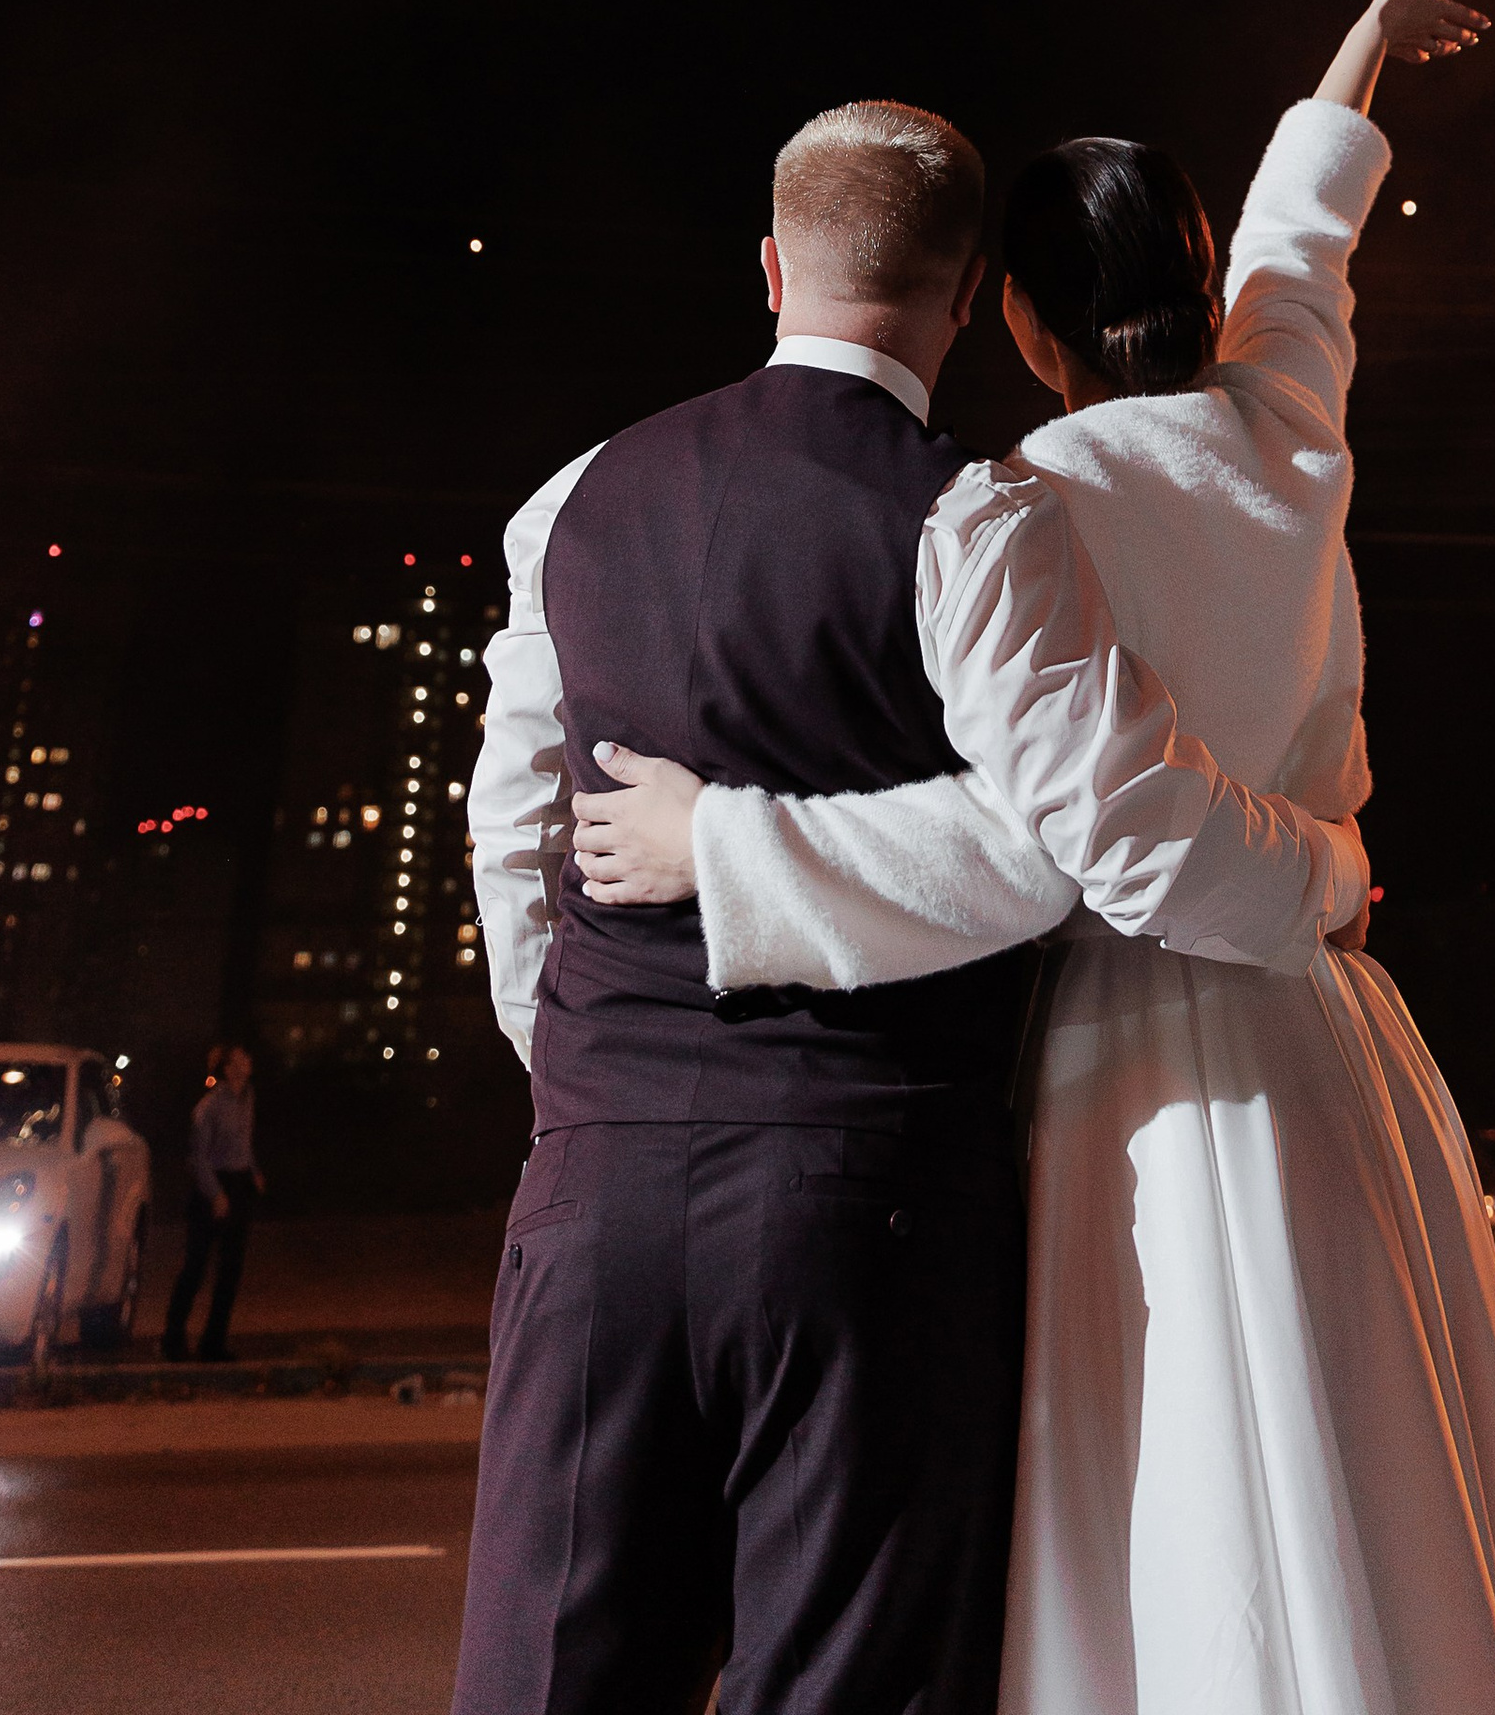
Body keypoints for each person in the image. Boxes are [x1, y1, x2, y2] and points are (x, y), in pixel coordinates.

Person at [579, 0, 1495, 1715]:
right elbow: (1307, 255)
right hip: (1344, 1044)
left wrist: (726, 847)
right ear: (1195, 286)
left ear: (1020, 325)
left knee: (1177, 1507)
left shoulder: (1022, 511)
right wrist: (1357, 60)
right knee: (1373, 1479)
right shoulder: (1293, 433)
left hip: (1144, 1052)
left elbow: (1063, 838)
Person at [457, 94, 1369, 1715]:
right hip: (867, 1210)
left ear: (768, 268)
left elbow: (514, 831)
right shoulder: (977, 515)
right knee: (848, 1684)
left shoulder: (570, 499)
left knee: (551, 1681)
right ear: (969, 303)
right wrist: (1328, 863)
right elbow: (1094, 844)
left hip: (589, 1191)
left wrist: (582, 1081)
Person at [162, 1039, 262, 1365]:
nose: (247, 1061)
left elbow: (243, 1143)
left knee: (230, 1270)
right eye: (241, 1058)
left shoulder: (247, 1098)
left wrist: (253, 1172)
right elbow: (198, 1157)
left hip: (238, 1184)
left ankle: (213, 1342)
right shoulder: (209, 1107)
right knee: (195, 1267)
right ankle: (172, 1340)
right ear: (229, 1068)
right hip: (212, 1190)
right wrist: (215, 1194)